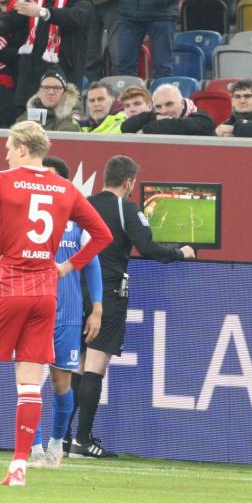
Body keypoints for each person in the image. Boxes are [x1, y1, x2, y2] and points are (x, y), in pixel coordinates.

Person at [0, 120, 113, 486]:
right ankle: (19, 468)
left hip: (7, 287)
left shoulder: (1, 181)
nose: (5, 155)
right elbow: (102, 234)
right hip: (45, 293)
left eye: (8, 148)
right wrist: (66, 266)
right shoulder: (65, 188)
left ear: (21, 148)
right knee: (31, 382)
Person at [69, 154, 194, 457]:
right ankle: (82, 440)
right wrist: (181, 253)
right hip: (107, 292)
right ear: (128, 182)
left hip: (75, 289)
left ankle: (62, 438)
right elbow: (147, 247)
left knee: (78, 366)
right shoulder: (126, 209)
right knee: (95, 366)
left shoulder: (82, 204)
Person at [5, 154, 104, 467]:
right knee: (29, 382)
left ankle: (56, 443)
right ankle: (33, 449)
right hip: (31, 311)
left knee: (61, 383)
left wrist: (97, 308)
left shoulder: (77, 224)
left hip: (67, 315)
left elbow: (93, 265)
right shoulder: (25, 216)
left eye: (48, 176)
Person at [0, 0, 93, 102]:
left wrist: (43, 12)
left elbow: (75, 17)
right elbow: (14, 17)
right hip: (33, 79)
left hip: (66, 75)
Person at [120, 83, 214, 135]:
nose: (164, 111)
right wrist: (155, 117)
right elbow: (125, 127)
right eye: (158, 106)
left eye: (169, 104)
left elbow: (181, 126)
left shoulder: (202, 118)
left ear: (182, 104)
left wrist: (147, 129)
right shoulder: (156, 115)